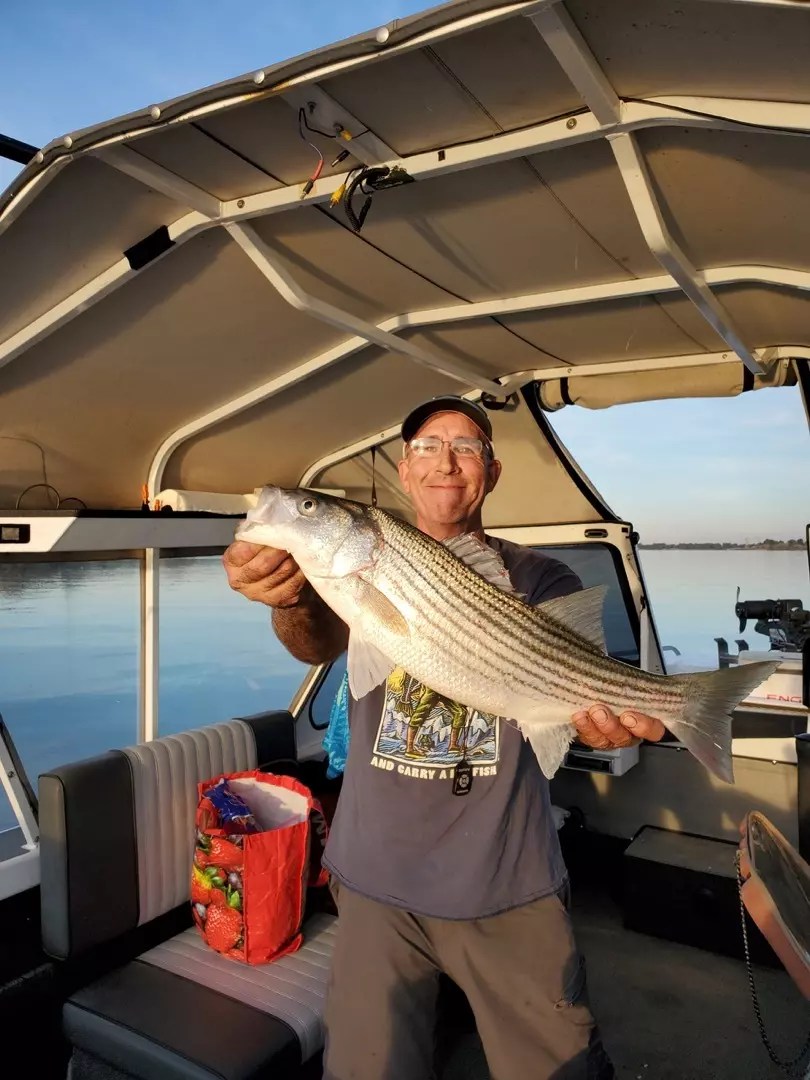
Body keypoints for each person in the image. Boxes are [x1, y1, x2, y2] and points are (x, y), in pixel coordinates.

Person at [223, 395, 667, 1080]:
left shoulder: (544, 577)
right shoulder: (354, 569)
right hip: (374, 879)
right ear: (404, 470)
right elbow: (314, 641)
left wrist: (614, 709)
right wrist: (288, 598)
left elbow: (580, 693)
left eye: (466, 447)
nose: (446, 462)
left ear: (491, 471)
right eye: (428, 447)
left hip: (506, 878)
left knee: (562, 1067)